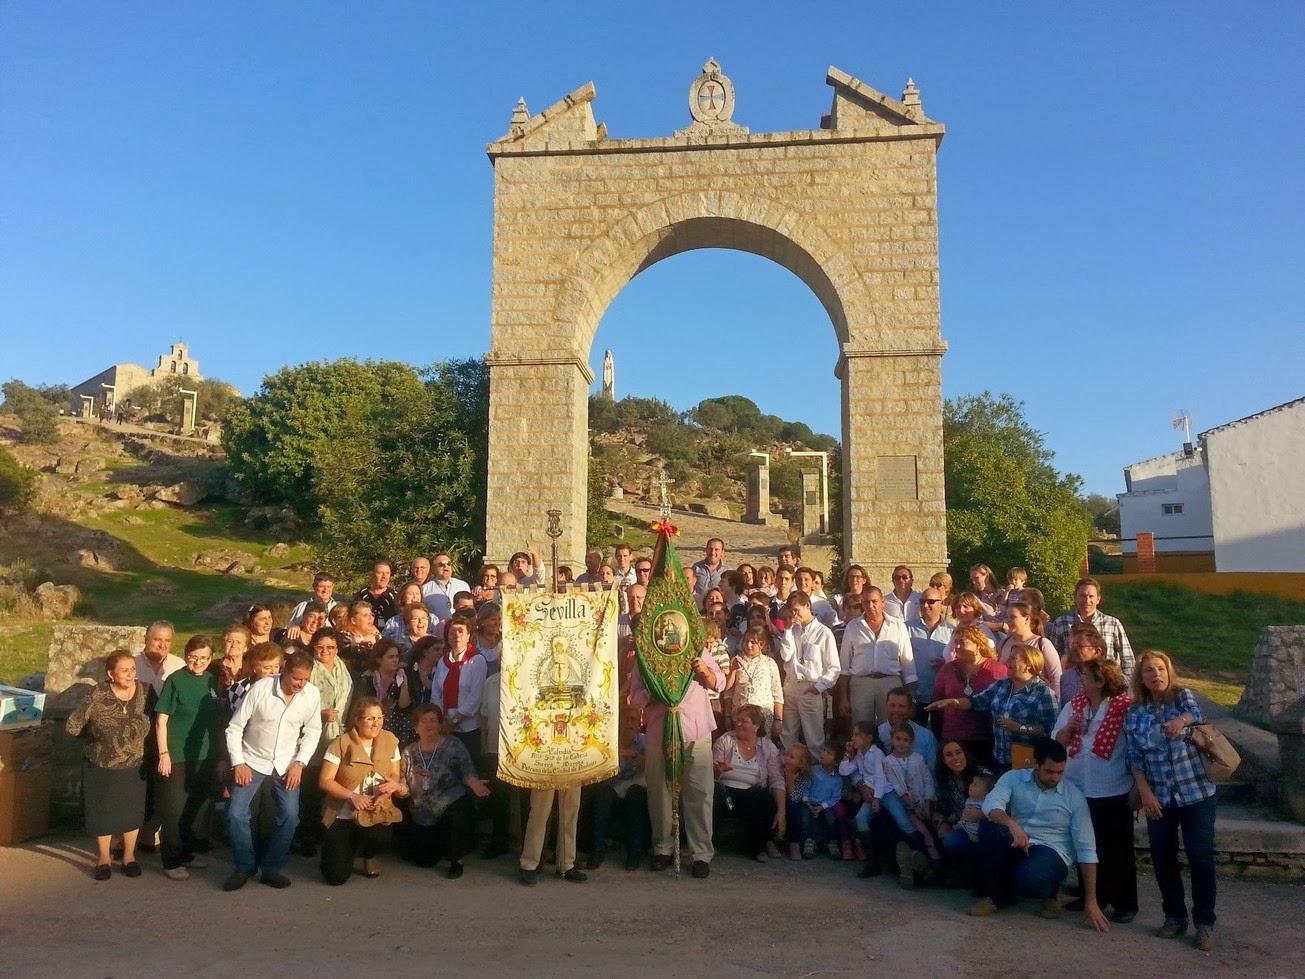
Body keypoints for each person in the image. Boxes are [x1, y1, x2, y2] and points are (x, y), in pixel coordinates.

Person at [1126, 650, 1218, 951]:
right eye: (1149, 670)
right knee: (1163, 858)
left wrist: (1181, 721)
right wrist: (1145, 792)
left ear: (1169, 671)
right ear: (1141, 677)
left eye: (1161, 669)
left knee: (1200, 857)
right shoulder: (1135, 712)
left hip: (1195, 792)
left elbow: (1196, 714)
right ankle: (1174, 916)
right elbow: (1134, 757)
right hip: (1160, 796)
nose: (1156, 675)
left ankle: (1204, 923)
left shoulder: (1182, 697)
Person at [971, 737, 1110, 932]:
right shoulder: (1013, 778)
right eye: (1049, 771)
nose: (1055, 777)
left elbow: (1086, 848)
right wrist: (1011, 823)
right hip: (1018, 840)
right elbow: (990, 805)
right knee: (989, 828)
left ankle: (1051, 893)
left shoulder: (1074, 796)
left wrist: (1091, 901)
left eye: (1060, 772)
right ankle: (997, 896)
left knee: (1029, 879)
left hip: (1052, 850)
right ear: (1036, 764)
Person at [223, 649, 322, 891]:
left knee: (290, 816)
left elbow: (313, 731)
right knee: (236, 814)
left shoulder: (311, 694)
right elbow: (234, 728)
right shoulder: (261, 689)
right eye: (296, 678)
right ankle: (245, 865)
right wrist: (238, 762)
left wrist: (300, 763)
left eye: (305, 679)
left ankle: (271, 868)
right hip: (252, 759)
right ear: (284, 671)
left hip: (287, 763)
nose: (300, 684)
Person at [630, 639, 725, 878]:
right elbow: (636, 695)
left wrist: (703, 670)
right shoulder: (647, 654)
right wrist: (654, 690)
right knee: (659, 792)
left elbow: (719, 682)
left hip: (696, 729)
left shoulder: (694, 648)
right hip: (660, 730)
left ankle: (701, 854)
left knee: (699, 792)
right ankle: (663, 848)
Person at [1052, 657, 1137, 924]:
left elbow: (1136, 747)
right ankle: (1093, 895)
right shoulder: (1074, 706)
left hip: (1113, 785)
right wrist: (1069, 729)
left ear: (1101, 680)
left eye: (1086, 677)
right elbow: (1057, 741)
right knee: (1086, 843)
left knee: (1117, 845)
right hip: (1079, 785)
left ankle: (1125, 901)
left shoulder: (1124, 707)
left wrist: (1138, 785)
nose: (1081, 682)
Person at [66, 650, 152, 881]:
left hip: (134, 764)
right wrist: (95, 737)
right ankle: (104, 858)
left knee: (131, 813)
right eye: (124, 670)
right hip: (101, 763)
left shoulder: (145, 691)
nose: (130, 674)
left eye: (133, 669)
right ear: (110, 673)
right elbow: (73, 725)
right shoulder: (97, 693)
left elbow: (154, 721)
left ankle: (129, 856)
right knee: (102, 813)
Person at [317, 697, 407, 885]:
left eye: (380, 717)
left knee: (381, 836)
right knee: (335, 877)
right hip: (343, 813)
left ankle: (369, 854)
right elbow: (325, 781)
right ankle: (343, 850)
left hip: (374, 811)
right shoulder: (340, 743)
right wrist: (353, 796)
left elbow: (394, 775)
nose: (376, 723)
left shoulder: (390, 740)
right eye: (370, 719)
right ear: (357, 720)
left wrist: (389, 790)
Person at [928, 643, 1057, 772]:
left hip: (1028, 760)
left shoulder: (1043, 693)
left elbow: (1049, 728)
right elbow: (976, 702)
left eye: (1013, 659)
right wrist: (953, 702)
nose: (1007, 662)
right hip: (999, 757)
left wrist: (1021, 728)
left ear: (1028, 665)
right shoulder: (1002, 684)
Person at [154, 635, 221, 880]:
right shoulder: (175, 681)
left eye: (204, 658)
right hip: (177, 754)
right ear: (186, 656)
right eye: (194, 658)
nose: (198, 663)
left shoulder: (212, 680)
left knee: (196, 809)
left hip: (204, 755)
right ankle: (171, 861)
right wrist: (164, 753)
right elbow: (161, 720)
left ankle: (187, 854)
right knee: (174, 810)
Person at [401, 704, 490, 876]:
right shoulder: (408, 752)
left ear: (440, 724)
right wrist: (399, 788)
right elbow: (403, 783)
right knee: (424, 861)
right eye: (424, 721)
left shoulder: (454, 745)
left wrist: (474, 783)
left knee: (459, 814)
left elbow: (467, 770)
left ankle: (457, 859)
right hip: (421, 809)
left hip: (449, 803)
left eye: (433, 720)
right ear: (415, 727)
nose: (429, 725)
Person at [299, 627, 354, 856]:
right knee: (311, 790)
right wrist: (319, 714)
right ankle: (307, 837)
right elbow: (298, 702)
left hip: (338, 736)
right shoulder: (309, 670)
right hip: (314, 737)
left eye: (330, 647)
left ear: (337, 648)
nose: (325, 651)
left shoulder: (344, 669)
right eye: (320, 647)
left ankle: (327, 832)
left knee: (332, 790)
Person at [712, 705, 786, 862]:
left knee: (763, 797)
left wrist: (781, 811)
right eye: (736, 721)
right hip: (726, 794)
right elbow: (711, 772)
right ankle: (709, 844)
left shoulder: (768, 747)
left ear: (756, 726)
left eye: (743, 721)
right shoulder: (726, 740)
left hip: (751, 794)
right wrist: (718, 770)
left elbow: (777, 780)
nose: (738, 724)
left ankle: (759, 847)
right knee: (713, 790)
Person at [837, 587, 915, 734]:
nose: (871, 606)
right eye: (866, 602)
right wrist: (844, 698)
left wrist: (910, 695)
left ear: (883, 602)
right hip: (861, 682)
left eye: (875, 601)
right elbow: (844, 665)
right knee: (861, 727)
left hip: (890, 682)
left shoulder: (898, 625)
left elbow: (907, 662)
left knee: (891, 726)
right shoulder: (853, 627)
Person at [774, 591, 840, 754]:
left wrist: (819, 687)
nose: (795, 615)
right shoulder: (793, 631)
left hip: (810, 687)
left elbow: (834, 667)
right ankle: (789, 771)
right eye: (792, 612)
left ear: (807, 606)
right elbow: (786, 655)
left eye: (797, 610)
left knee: (814, 737)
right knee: (788, 734)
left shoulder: (824, 633)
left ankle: (817, 771)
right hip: (791, 687)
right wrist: (787, 631)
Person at [931, 626, 1007, 765]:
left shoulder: (997, 670)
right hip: (953, 738)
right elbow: (937, 701)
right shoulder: (948, 669)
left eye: (963, 642)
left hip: (987, 738)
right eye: (956, 642)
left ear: (978, 645)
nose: (957, 647)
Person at [880, 722, 941, 884]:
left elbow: (928, 780)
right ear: (892, 740)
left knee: (934, 830)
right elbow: (898, 787)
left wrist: (928, 803)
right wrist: (913, 807)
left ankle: (938, 866)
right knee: (924, 833)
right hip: (910, 808)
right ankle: (930, 861)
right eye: (898, 739)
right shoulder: (888, 762)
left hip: (925, 803)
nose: (901, 743)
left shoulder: (918, 759)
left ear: (911, 741)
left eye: (906, 740)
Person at [1047, 577, 1136, 682]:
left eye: (1091, 596)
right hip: (1074, 680)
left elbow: (1127, 658)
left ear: (1098, 599)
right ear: (1075, 597)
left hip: (1108, 680)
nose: (1087, 600)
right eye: (1083, 596)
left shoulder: (1112, 623)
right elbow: (1053, 657)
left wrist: (1128, 683)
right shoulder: (1061, 623)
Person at [932, 740, 992, 884]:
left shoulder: (983, 775)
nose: (955, 758)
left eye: (959, 752)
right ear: (943, 760)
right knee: (949, 840)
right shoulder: (946, 780)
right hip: (964, 826)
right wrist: (941, 819)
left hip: (988, 825)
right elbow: (943, 807)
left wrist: (982, 814)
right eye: (949, 755)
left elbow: (1004, 806)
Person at [430, 618, 486, 765]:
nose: (457, 635)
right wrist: (441, 720)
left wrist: (454, 720)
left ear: (468, 636)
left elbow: (476, 696)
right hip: (445, 727)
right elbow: (436, 693)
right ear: (447, 636)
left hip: (468, 728)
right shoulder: (443, 661)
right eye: (452, 632)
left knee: (468, 770)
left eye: (461, 631)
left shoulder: (477, 660)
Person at [725, 626, 784, 737]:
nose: (749, 645)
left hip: (764, 716)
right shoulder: (737, 660)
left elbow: (777, 694)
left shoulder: (769, 663)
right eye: (746, 641)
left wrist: (778, 719)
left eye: (753, 642)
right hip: (740, 716)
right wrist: (733, 670)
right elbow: (728, 692)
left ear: (761, 645)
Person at [999, 601, 1062, 703]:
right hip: (1007, 700)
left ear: (1027, 619)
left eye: (1013, 617)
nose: (1008, 621)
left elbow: (1056, 678)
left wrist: (1054, 703)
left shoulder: (1043, 644)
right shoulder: (1003, 643)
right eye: (1007, 617)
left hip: (1035, 702)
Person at [907, 588, 953, 725]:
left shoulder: (952, 631)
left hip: (942, 694)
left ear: (942, 603)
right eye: (922, 601)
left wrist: (946, 664)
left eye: (931, 601)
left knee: (941, 736)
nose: (925, 605)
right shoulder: (906, 628)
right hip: (916, 694)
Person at [805, 743, 855, 859]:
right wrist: (807, 802)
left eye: (828, 753)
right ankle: (809, 842)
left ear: (836, 762)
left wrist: (822, 806)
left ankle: (832, 842)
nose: (823, 754)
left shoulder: (837, 779)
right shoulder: (813, 771)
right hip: (810, 803)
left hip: (825, 805)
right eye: (823, 751)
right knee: (808, 818)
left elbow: (835, 798)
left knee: (831, 818)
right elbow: (806, 787)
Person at [362, 639, 416, 745]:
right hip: (372, 727)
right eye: (391, 657)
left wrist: (404, 684)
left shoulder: (400, 677)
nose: (395, 660)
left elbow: (403, 707)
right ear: (379, 659)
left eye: (397, 656)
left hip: (398, 730)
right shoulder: (368, 679)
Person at [878, 687, 938, 769]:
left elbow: (932, 769)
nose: (896, 710)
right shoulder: (876, 734)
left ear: (910, 709)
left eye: (901, 706)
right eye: (892, 705)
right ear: (886, 706)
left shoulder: (926, 737)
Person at [1059, 623, 1106, 703]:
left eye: (1080, 646)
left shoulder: (1112, 678)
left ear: (1097, 651)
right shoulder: (1066, 678)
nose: (1074, 649)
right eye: (1073, 645)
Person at [783, 744, 814, 859]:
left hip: (793, 803)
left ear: (801, 763)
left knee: (796, 810)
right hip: (779, 801)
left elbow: (794, 798)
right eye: (786, 755)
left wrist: (790, 780)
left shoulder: (804, 777)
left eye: (791, 757)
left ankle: (794, 843)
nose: (787, 758)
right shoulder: (780, 769)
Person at [134, 620, 183, 695]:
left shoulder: (179, 666)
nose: (162, 645)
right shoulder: (132, 665)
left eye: (167, 640)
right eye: (157, 640)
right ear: (146, 639)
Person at [422, 553, 471, 621]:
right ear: (433, 568)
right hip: (436, 630)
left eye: (448, 564)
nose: (445, 567)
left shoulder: (463, 586)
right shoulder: (425, 589)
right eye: (441, 565)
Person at [355, 560, 399, 627]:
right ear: (372, 574)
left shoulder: (395, 596)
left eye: (387, 573)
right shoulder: (362, 594)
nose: (384, 577)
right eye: (380, 573)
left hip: (388, 635)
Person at [692, 537, 731, 606]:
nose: (713, 552)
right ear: (706, 550)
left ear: (722, 552)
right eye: (710, 549)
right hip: (699, 608)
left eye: (716, 550)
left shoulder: (728, 571)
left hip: (720, 609)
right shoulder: (696, 567)